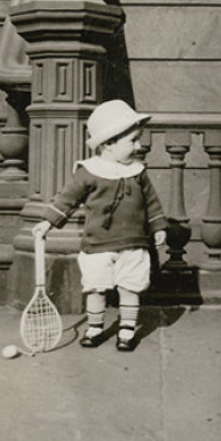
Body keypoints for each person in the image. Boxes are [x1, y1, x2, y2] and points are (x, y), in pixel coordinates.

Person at [31, 99, 168, 351]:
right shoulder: (89, 171)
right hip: (97, 245)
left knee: (130, 288)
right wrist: (47, 223)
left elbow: (152, 202)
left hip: (133, 243)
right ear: (108, 145)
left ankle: (126, 331)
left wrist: (158, 227)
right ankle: (95, 328)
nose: (139, 146)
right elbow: (67, 198)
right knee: (96, 288)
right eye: (132, 141)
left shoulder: (137, 172)